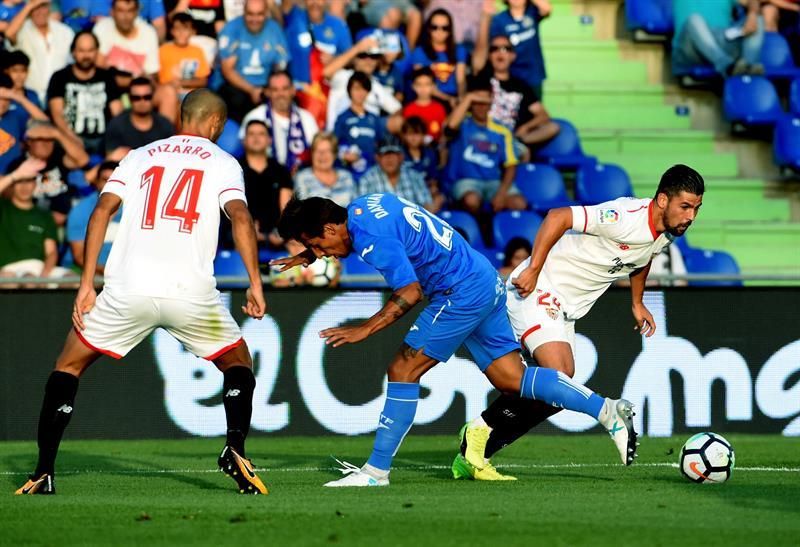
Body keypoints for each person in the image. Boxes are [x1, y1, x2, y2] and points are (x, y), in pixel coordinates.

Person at [271, 194, 638, 487]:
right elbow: (382, 235)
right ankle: (606, 410)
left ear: (331, 227)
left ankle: (376, 472)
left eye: (316, 243)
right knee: (511, 379)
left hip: (457, 292)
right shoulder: (365, 205)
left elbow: (410, 292)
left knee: (402, 368)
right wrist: (309, 252)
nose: (320, 253)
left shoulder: (370, 240)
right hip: (483, 278)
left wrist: (365, 328)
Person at [14, 89, 269, 496]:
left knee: (68, 366)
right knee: (239, 363)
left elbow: (101, 211)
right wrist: (255, 284)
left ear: (180, 116)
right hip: (190, 293)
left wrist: (85, 285)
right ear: (216, 124)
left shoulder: (139, 155)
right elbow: (240, 215)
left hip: (127, 288)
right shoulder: (224, 163)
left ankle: (43, 471)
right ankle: (234, 447)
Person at [452, 164, 705, 481]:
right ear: (664, 200)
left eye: (696, 208)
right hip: (539, 288)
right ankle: (483, 432)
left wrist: (637, 302)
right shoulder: (625, 215)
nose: (691, 216)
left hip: (564, 308)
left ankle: (476, 448)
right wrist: (532, 268)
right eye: (685, 206)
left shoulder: (666, 232)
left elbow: (643, 258)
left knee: (558, 391)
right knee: (560, 375)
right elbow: (558, 216)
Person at [444, 74, 527, 216]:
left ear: (491, 103)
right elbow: (450, 127)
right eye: (477, 102)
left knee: (519, 203)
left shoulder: (502, 130)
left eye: (485, 102)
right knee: (472, 201)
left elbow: (511, 165)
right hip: (465, 182)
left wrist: (501, 194)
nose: (481, 107)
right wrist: (469, 98)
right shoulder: (462, 124)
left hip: (493, 182)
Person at [480, 33, 559, 158]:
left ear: (513, 56)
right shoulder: (480, 81)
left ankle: (514, 144)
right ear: (489, 55)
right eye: (494, 49)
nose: (500, 53)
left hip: (512, 137)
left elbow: (543, 115)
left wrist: (525, 128)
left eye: (506, 49)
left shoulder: (522, 86)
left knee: (552, 128)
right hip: (486, 135)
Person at [47, 31, 124, 157]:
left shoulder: (107, 77)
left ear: (97, 52)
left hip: (104, 141)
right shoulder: (59, 77)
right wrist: (72, 138)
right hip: (70, 139)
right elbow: (57, 115)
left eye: (90, 50)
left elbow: (117, 114)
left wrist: (112, 141)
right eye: (81, 51)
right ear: (73, 52)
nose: (86, 56)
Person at [0, 156, 72, 283]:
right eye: (20, 181)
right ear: (12, 184)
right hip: (9, 270)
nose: (25, 186)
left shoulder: (44, 215)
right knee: (26, 280)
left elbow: (51, 252)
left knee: (73, 280)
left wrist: (42, 277)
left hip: (41, 269)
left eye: (29, 180)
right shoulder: (3, 208)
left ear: (35, 183)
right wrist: (15, 175)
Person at [217, 0, 290, 122]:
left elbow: (281, 65)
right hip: (236, 87)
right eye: (250, 14)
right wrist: (251, 90)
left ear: (266, 13)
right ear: (243, 12)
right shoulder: (231, 29)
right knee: (236, 99)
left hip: (265, 87)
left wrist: (272, 90)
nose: (255, 19)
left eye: (259, 14)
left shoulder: (274, 29)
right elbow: (227, 70)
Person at [12, 120, 89, 226]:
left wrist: (57, 134)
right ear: (29, 141)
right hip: (33, 222)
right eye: (41, 139)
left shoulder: (59, 157)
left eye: (50, 139)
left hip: (65, 220)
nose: (47, 144)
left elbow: (83, 160)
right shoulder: (19, 165)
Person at [239, 70, 318, 172]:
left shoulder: (306, 118)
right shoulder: (254, 117)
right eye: (275, 90)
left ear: (293, 90)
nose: (280, 94)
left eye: (285, 89)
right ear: (267, 92)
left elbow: (317, 151)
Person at [323, 35, 402, 132]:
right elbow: (326, 73)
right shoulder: (343, 76)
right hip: (339, 136)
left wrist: (377, 125)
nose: (368, 60)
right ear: (355, 59)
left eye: (373, 56)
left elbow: (397, 109)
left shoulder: (377, 86)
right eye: (363, 55)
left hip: (367, 138)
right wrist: (357, 49)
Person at [473, 0, 549, 100]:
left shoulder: (531, 13)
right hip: (511, 75)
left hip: (533, 75)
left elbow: (547, 8)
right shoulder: (499, 20)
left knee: (534, 108)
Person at [4, 0, 74, 104]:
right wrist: (30, 5)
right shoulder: (22, 30)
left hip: (60, 96)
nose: (39, 12)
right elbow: (9, 33)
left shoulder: (65, 32)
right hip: (31, 96)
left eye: (43, 6)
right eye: (35, 8)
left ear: (49, 8)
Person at [238, 119, 294, 250]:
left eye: (261, 134)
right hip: (238, 237)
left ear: (270, 140)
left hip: (276, 239)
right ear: (244, 140)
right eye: (251, 134)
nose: (256, 138)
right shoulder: (234, 168)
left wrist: (283, 234)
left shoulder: (281, 171)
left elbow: (286, 210)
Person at [672, 0, 765, 77]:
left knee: (758, 18)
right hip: (690, 47)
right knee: (694, 19)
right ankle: (727, 67)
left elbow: (752, 1)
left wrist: (752, 14)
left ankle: (748, 70)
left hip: (721, 43)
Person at [65, 161, 121, 274]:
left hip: (124, 274)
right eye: (105, 180)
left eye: (114, 181)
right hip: (85, 271)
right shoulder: (80, 210)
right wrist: (106, 272)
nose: (110, 186)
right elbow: (79, 255)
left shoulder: (134, 209)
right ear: (96, 182)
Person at [358, 134, 438, 212]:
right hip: (378, 225)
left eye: (393, 154)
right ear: (377, 158)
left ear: (401, 157)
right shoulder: (367, 180)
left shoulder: (414, 177)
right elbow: (360, 212)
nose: (389, 159)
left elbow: (427, 209)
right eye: (384, 154)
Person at [105, 77, 175, 159]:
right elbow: (110, 159)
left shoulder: (165, 125)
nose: (142, 102)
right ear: (129, 98)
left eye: (147, 97)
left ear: (153, 97)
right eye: (136, 98)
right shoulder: (116, 125)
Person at [411, 8, 467, 108]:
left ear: (450, 30)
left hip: (454, 97)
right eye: (434, 27)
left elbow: (461, 81)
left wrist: (461, 99)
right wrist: (448, 99)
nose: (439, 31)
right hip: (429, 98)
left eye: (445, 28)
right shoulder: (419, 52)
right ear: (428, 29)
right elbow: (421, 84)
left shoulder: (459, 50)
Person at [333, 71, 382, 181]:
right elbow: (334, 146)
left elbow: (380, 145)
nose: (360, 93)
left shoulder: (374, 119)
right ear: (349, 90)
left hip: (372, 174)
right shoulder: (342, 118)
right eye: (356, 88)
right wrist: (344, 156)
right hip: (348, 174)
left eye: (364, 88)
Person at [293, 132, 357, 207]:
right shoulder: (302, 177)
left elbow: (356, 208)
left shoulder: (347, 176)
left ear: (334, 154)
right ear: (312, 153)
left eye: (327, 151)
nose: (322, 155)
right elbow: (301, 211)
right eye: (318, 151)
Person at [0, 73, 47, 174]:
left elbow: (45, 123)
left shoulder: (14, 116)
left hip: (17, 177)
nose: (3, 103)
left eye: (6, 99)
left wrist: (19, 98)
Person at [158, 13, 211, 98]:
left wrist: (182, 83)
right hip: (169, 94)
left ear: (193, 31)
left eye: (185, 29)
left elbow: (203, 81)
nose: (181, 33)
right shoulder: (162, 50)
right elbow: (156, 79)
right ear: (172, 31)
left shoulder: (197, 51)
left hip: (192, 95)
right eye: (177, 28)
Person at [402, 66, 447, 143]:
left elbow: (443, 134)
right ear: (413, 86)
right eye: (419, 85)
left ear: (434, 86)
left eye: (427, 84)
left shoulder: (439, 108)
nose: (423, 89)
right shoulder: (408, 109)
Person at [1, 50, 45, 125]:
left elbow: (44, 121)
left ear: (28, 72)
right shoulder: (3, 94)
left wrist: (20, 98)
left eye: (23, 71)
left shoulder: (32, 95)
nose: (19, 76)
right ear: (6, 71)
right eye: (14, 71)